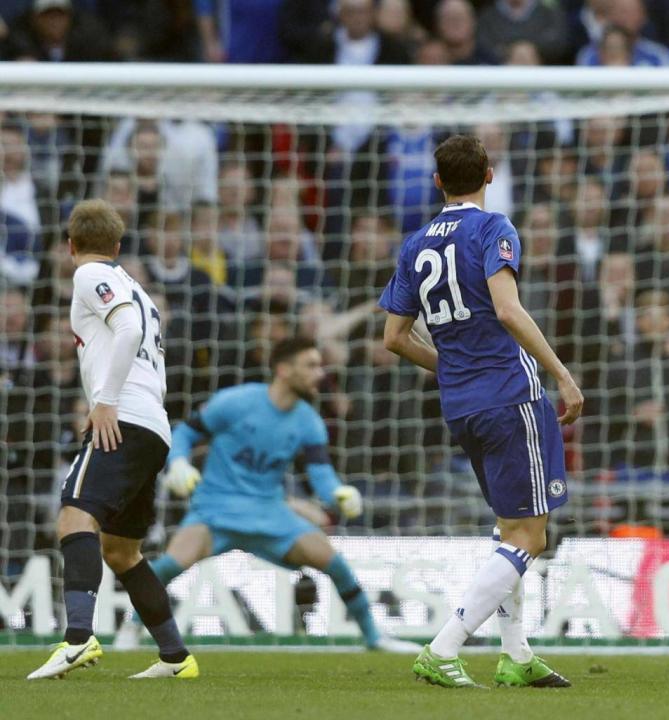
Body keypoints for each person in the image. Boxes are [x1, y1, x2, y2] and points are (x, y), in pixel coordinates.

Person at [379, 134, 583, 688]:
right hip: (511, 395)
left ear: (439, 180)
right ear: (489, 174)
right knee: (531, 537)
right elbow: (508, 309)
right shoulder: (494, 229)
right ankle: (444, 648)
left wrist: (447, 366)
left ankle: (515, 655)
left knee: (508, 527)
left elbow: (393, 336)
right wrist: (561, 374)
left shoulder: (415, 244)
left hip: (461, 404)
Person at [113, 337, 416, 653]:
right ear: (284, 370)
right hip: (216, 511)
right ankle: (132, 626)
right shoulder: (236, 402)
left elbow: (321, 475)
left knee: (334, 562)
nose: (320, 374)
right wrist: (178, 464)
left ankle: (374, 637)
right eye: (311, 365)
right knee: (171, 564)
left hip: (270, 513)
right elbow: (186, 433)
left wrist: (339, 492)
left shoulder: (309, 422)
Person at [27, 199, 197, 680]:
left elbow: (125, 330)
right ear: (118, 245)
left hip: (122, 418)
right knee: (122, 551)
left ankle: (78, 639)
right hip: (152, 425)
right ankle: (175, 657)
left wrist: (104, 400)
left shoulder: (88, 277)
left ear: (70, 246)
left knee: (73, 516)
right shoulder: (134, 285)